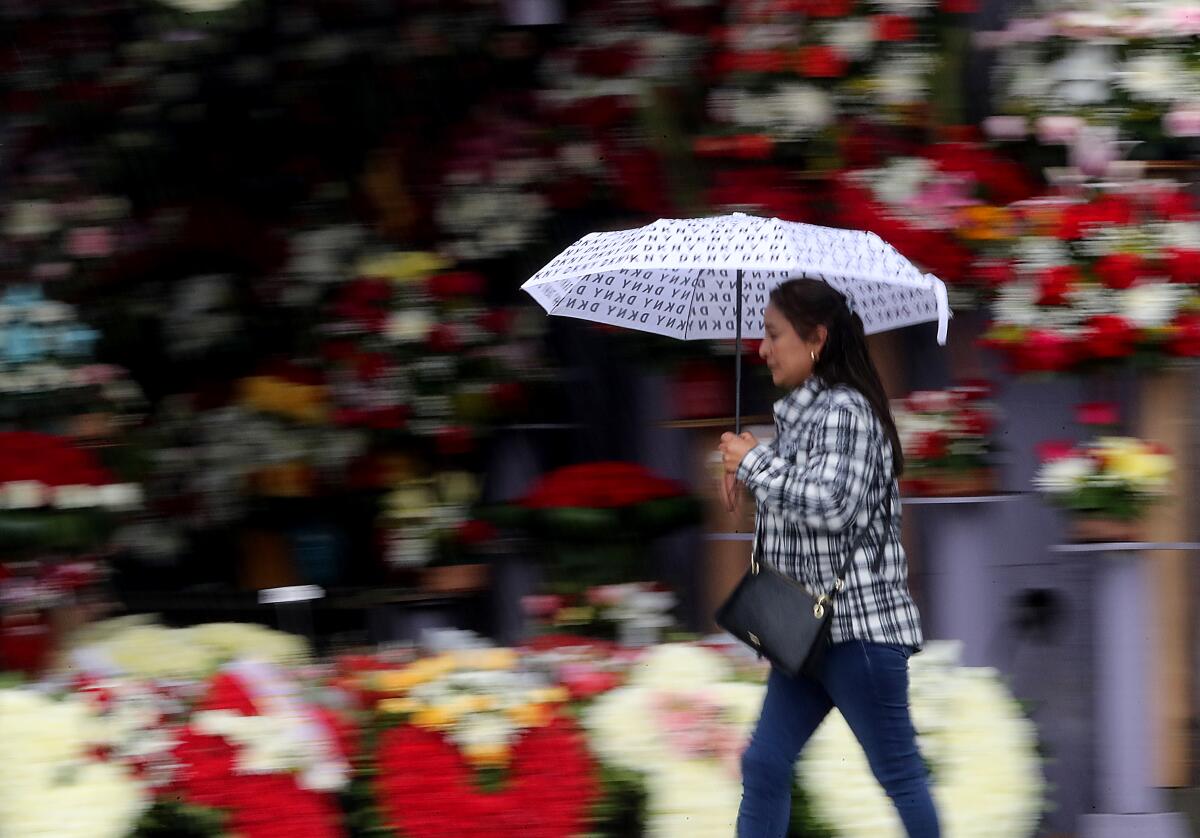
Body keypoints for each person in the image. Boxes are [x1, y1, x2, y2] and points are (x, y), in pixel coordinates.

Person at [717, 278, 940, 838]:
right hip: (808, 630)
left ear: (816, 338)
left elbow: (830, 504)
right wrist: (752, 463)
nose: (761, 349)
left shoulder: (846, 411)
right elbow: (803, 503)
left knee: (899, 775)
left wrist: (753, 466)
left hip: (858, 632)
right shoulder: (802, 418)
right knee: (764, 763)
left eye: (773, 335)